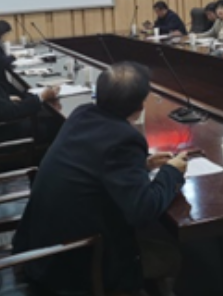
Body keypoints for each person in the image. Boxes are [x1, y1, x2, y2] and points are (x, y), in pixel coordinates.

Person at [13, 62, 188, 296]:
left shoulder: (81, 114)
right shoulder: (124, 139)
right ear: (139, 105)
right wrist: (172, 172)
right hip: (76, 264)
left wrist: (142, 165)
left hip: (41, 246)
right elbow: (143, 210)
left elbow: (95, 164)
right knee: (173, 256)